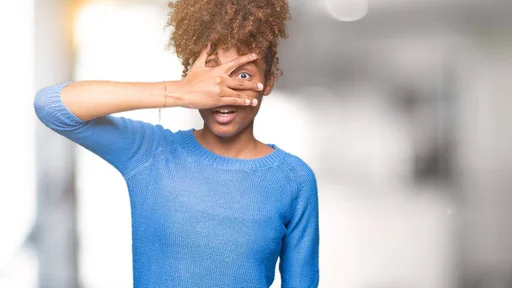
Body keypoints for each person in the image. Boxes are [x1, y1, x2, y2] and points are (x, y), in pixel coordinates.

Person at [33, 0, 319, 287]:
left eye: (243, 75)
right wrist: (179, 92)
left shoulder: (293, 179)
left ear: (268, 81)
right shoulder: (151, 152)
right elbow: (52, 106)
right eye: (210, 74)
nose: (221, 92)